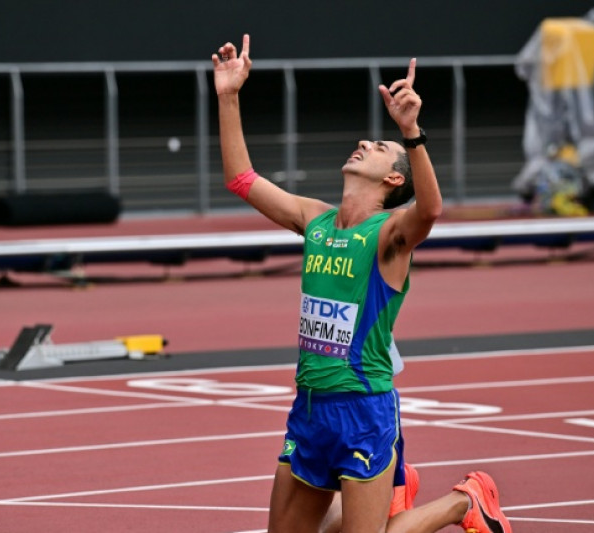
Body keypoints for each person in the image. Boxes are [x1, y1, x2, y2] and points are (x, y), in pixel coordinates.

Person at [212, 34, 513, 533]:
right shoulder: (316, 219)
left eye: (378, 148)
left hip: (364, 408)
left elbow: (432, 209)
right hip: (309, 406)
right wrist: (228, 96)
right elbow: (241, 178)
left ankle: (465, 502)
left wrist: (411, 134)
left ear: (393, 180)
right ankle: (396, 492)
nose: (364, 145)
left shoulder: (389, 236)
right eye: (368, 141)